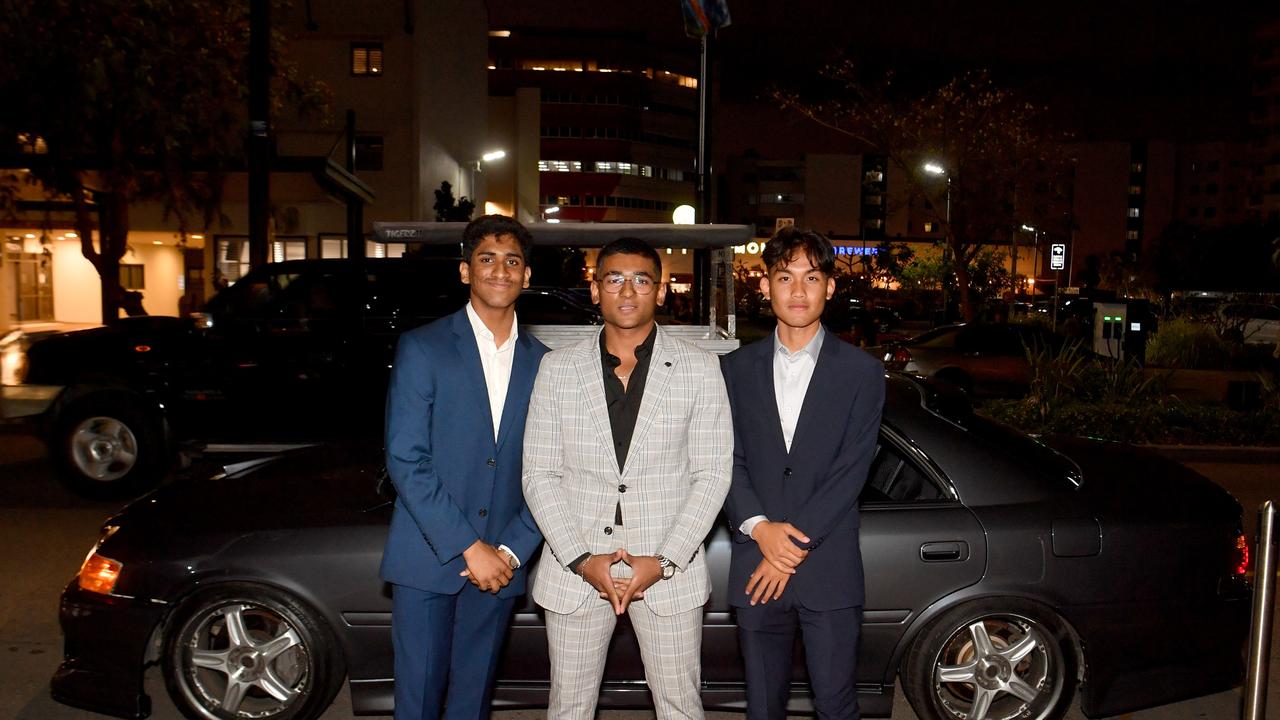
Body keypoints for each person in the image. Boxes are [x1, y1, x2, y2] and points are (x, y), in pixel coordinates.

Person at [522, 237, 733, 720]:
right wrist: (579, 558)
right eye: (614, 278)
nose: (627, 290)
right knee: (568, 709)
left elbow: (713, 473)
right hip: (576, 569)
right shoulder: (556, 369)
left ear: (660, 292)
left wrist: (664, 560)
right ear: (595, 290)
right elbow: (539, 473)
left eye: (641, 279)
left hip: (666, 570)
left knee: (681, 708)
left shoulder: (700, 369)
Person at [379, 215, 549, 720]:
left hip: (502, 562)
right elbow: (406, 458)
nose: (500, 270)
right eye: (487, 259)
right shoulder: (423, 347)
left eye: (512, 261)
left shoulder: (546, 363)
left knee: (472, 704)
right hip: (429, 556)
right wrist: (468, 546)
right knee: (419, 702)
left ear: (527, 276)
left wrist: (512, 551)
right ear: (464, 271)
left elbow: (553, 470)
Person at [720, 227, 885, 720]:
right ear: (766, 285)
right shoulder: (733, 369)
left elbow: (851, 471)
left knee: (836, 707)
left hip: (829, 569)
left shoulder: (861, 372)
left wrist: (785, 549)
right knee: (762, 707)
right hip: (755, 565)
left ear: (830, 287)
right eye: (784, 276)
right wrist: (759, 528)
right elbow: (725, 460)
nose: (797, 291)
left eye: (811, 278)